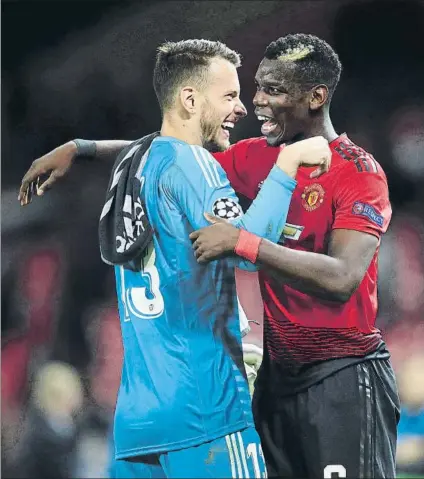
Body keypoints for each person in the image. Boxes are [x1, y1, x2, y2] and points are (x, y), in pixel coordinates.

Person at [18, 33, 399, 478]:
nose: (255, 102)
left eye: (272, 90)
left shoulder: (357, 170)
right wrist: (82, 148)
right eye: (252, 88)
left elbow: (343, 278)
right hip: (276, 383)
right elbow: (167, 154)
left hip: (342, 379)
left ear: (315, 97)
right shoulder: (255, 157)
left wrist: (244, 240)